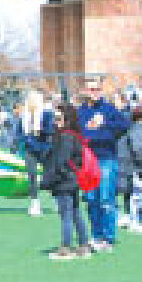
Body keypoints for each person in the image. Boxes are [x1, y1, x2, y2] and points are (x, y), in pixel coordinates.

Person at [76, 77, 129, 251]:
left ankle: (108, 237)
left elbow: (123, 125)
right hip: (87, 161)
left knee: (106, 198)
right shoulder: (80, 112)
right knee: (91, 200)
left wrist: (103, 126)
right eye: (92, 89)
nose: (95, 93)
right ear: (85, 91)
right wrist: (94, 135)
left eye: (98, 89)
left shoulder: (109, 109)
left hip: (106, 159)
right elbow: (81, 134)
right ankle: (96, 235)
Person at [40, 103, 92, 259]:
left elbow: (61, 161)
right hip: (72, 180)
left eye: (58, 118)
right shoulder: (74, 135)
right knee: (76, 213)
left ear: (66, 119)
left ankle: (66, 248)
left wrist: (54, 179)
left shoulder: (66, 137)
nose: (55, 122)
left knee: (67, 215)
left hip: (65, 181)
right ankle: (83, 245)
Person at [117, 105, 142, 233]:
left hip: (138, 167)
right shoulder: (137, 128)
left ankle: (141, 220)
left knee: (139, 195)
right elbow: (136, 149)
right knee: (136, 196)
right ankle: (135, 222)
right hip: (135, 168)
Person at [21, 91, 54, 217]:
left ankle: (56, 198)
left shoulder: (46, 114)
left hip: (45, 148)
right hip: (30, 149)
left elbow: (50, 130)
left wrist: (39, 130)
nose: (31, 102)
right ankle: (34, 202)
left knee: (50, 175)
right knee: (32, 175)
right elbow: (20, 131)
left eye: (34, 100)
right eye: (30, 100)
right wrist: (23, 139)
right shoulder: (24, 116)